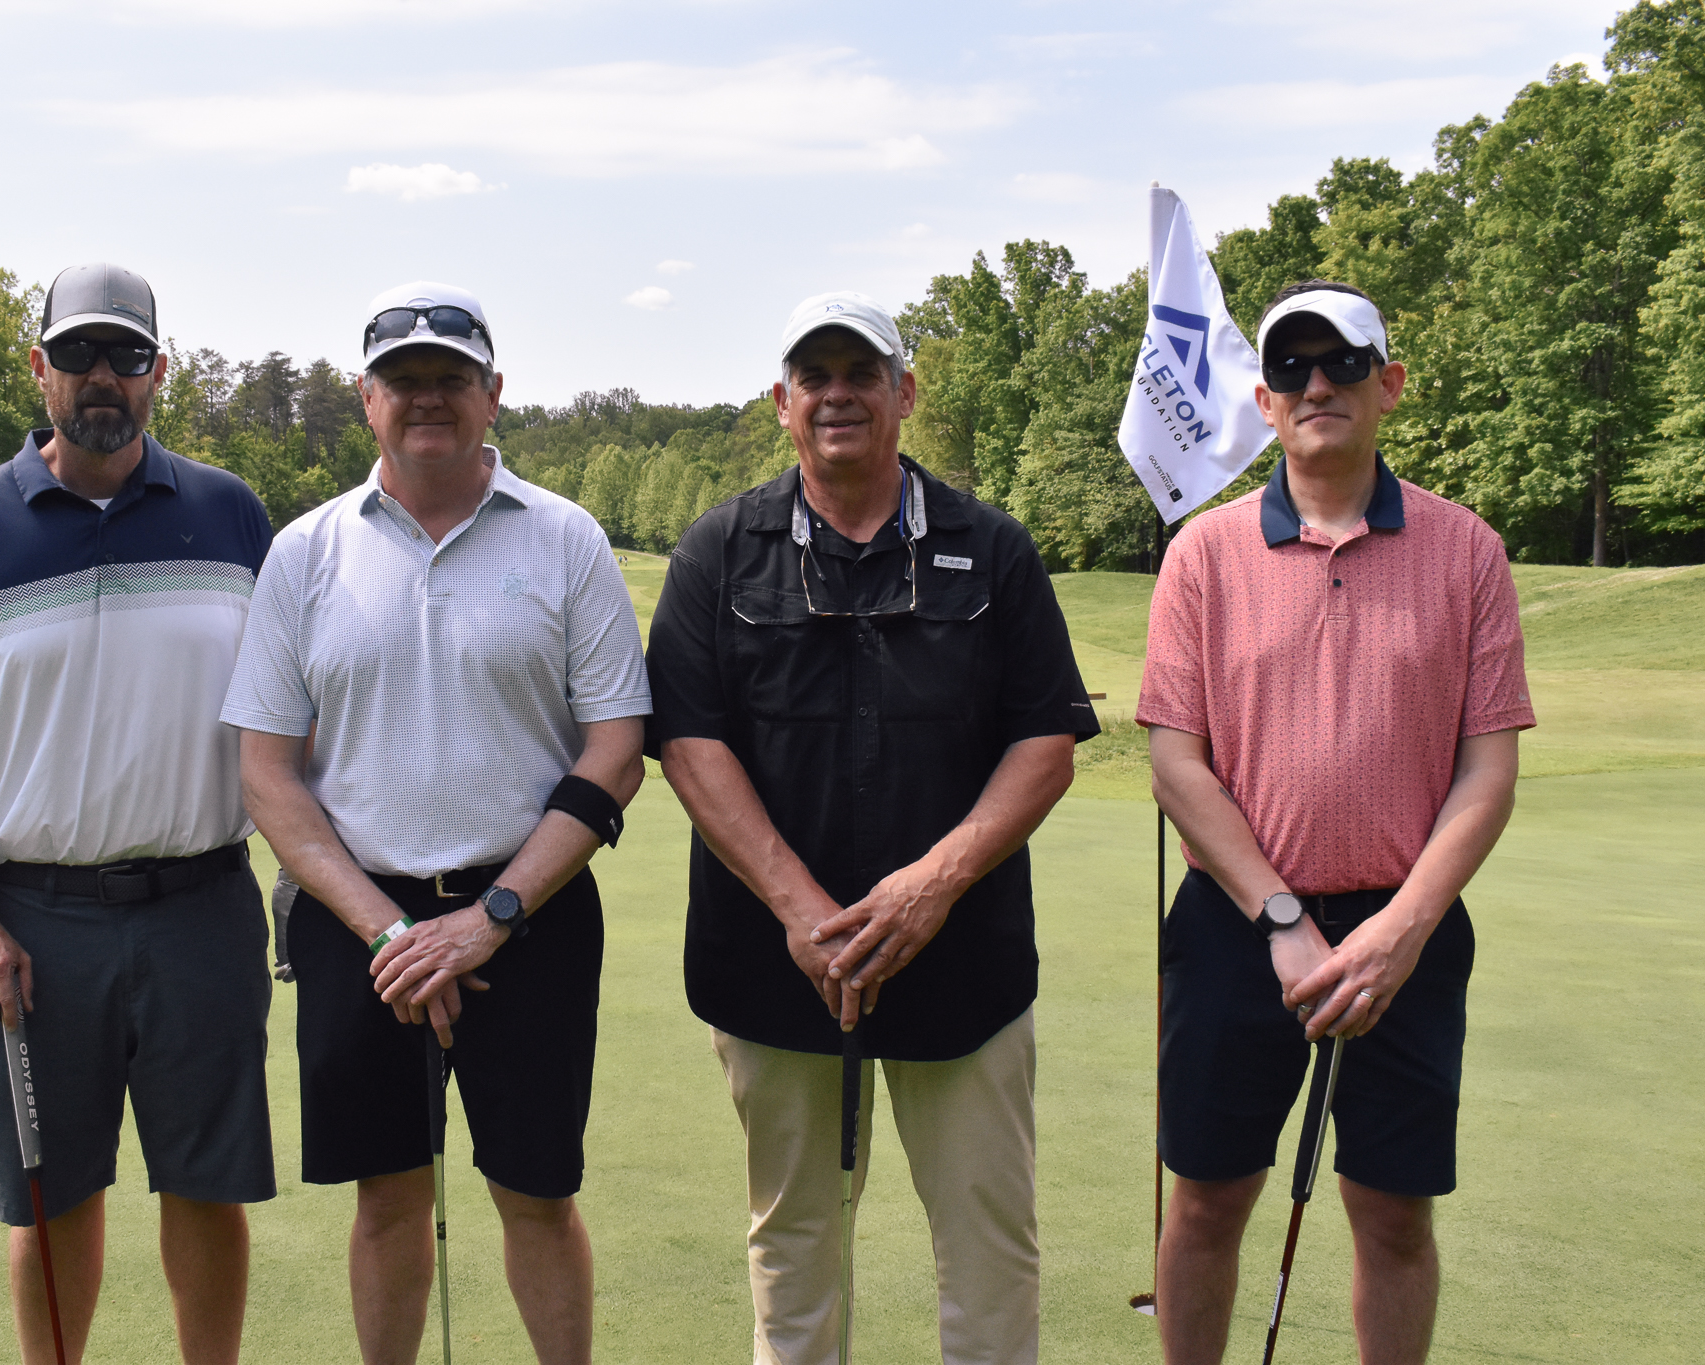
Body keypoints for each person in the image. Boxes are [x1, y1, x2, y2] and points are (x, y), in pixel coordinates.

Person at [645, 291, 1100, 1365]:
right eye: (816, 376)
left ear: (906, 393)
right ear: (782, 402)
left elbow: (1044, 741)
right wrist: (803, 910)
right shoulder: (720, 550)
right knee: (794, 1241)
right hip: (773, 964)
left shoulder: (990, 547)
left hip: (964, 963)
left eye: (863, 374)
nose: (837, 395)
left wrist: (926, 887)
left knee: (988, 1249)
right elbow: (690, 744)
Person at [225, 281, 649, 1365]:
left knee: (537, 1195)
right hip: (358, 925)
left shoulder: (565, 539)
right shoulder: (306, 551)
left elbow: (614, 748)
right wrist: (390, 934)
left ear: (492, 393)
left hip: (531, 914)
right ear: (366, 399)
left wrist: (491, 916)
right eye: (402, 380)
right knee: (387, 1198)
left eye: (450, 378)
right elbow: (266, 773)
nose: (427, 398)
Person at [0, 262, 277, 1364]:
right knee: (53, 1195)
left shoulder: (232, 515)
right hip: (36, 925)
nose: (104, 376)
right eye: (79, 354)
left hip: (203, 907)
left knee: (207, 1186)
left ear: (159, 371)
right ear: (38, 367)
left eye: (127, 355)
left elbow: (291, 718)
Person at [1138, 280, 1536, 1364]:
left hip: (1405, 928)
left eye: (1343, 363)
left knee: (1393, 1214)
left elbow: (1487, 769)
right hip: (1234, 926)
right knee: (1206, 1200)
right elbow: (1176, 762)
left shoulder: (1466, 550)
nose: (1317, 384)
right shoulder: (1203, 554)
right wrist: (1280, 920)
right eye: (1292, 368)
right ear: (1263, 401)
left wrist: (1401, 928)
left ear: (1387, 384)